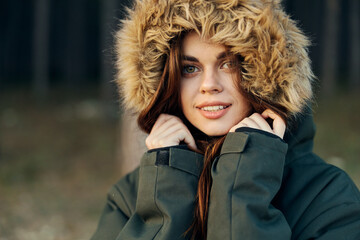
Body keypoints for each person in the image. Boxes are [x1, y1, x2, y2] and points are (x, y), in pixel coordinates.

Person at [91, 0, 360, 239]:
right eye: (190, 68)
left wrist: (244, 183)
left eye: (228, 63)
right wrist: (166, 192)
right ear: (167, 81)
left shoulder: (325, 194)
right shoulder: (134, 194)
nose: (209, 85)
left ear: (262, 74)